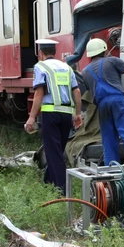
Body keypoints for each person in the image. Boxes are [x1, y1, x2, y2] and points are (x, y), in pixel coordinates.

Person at [25, 39, 83, 192]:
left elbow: (39, 93)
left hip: (50, 114)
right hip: (66, 115)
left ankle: (62, 190)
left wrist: (31, 117)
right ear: (55, 52)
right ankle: (48, 182)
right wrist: (78, 114)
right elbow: (76, 91)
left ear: (41, 53)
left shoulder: (40, 66)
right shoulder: (66, 67)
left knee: (54, 152)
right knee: (57, 150)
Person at [82, 37, 124, 164]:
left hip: (102, 106)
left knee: (109, 140)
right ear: (104, 51)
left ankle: (111, 173)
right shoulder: (112, 61)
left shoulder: (85, 72)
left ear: (89, 55)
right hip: (118, 101)